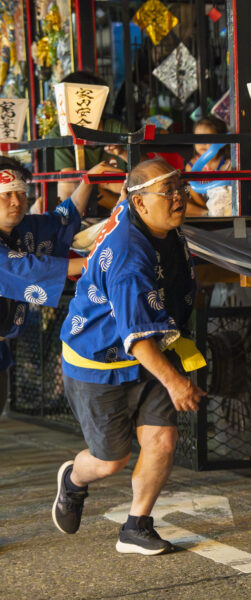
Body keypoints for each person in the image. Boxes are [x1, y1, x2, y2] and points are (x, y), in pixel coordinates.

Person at [53, 159, 207, 555]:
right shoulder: (128, 256)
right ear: (141, 204)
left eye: (181, 189)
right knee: (111, 460)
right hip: (99, 361)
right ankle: (73, 479)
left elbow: (124, 195)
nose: (179, 199)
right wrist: (175, 382)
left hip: (154, 350)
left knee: (163, 439)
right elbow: (136, 339)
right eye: (168, 193)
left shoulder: (149, 219)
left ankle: (136, 526)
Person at [0, 157, 120, 412]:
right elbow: (27, 270)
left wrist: (88, 179)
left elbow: (60, 221)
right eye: (6, 195)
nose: (16, 202)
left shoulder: (22, 229)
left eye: (21, 194)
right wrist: (97, 262)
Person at [52, 71, 126, 215]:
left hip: (121, 201)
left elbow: (136, 174)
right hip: (82, 201)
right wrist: (102, 182)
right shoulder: (59, 132)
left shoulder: (115, 128)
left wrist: (121, 153)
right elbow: (68, 182)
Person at [185, 116, 234, 217]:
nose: (202, 143)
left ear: (221, 141)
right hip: (204, 206)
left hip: (226, 205)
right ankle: (206, 214)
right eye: (198, 138)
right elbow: (194, 193)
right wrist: (207, 209)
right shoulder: (191, 166)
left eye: (208, 138)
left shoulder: (228, 162)